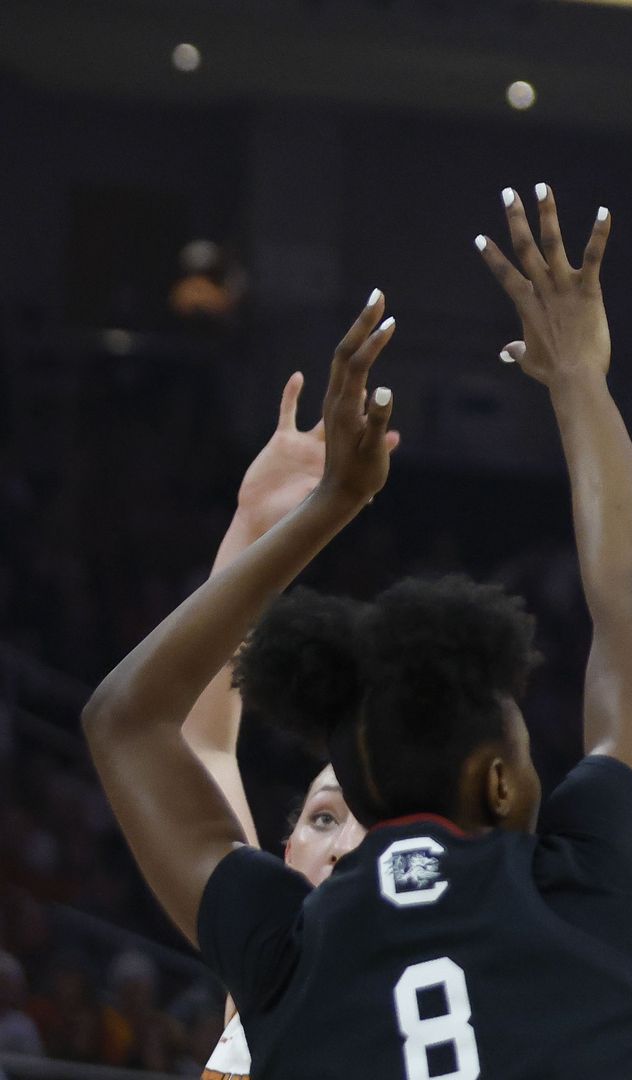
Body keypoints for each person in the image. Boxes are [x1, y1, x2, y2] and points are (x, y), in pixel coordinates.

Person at [82, 183, 632, 1079]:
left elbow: (142, 726)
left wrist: (318, 513)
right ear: (495, 782)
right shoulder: (585, 891)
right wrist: (579, 382)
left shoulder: (283, 951)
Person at [179, 370, 377, 1079]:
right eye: (324, 818)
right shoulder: (260, 988)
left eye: (376, 826)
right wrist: (254, 526)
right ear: (286, 848)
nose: (345, 847)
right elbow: (205, 737)